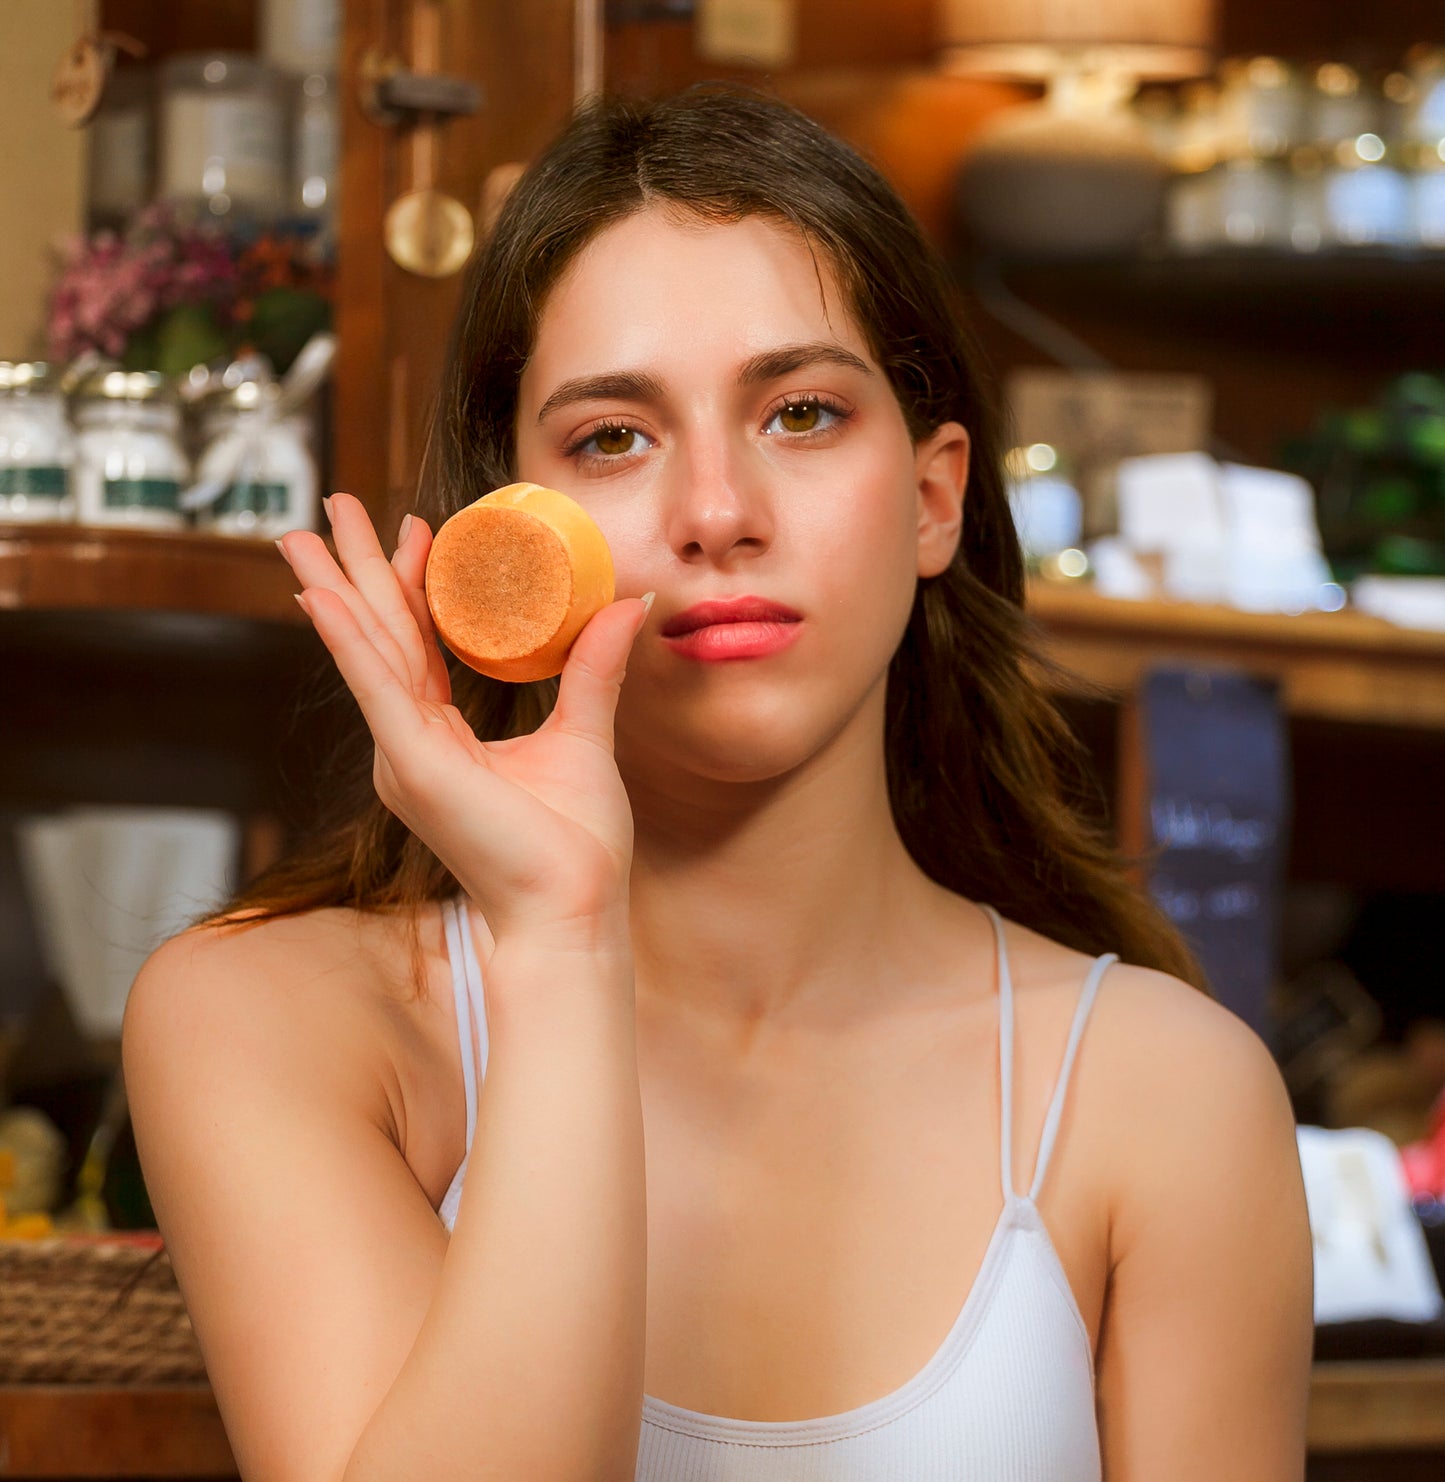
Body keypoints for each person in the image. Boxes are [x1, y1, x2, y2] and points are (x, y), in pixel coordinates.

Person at [122, 87, 1314, 1481]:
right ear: (510, 534)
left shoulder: (1168, 1094)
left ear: (934, 499)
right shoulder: (274, 1019)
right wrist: (562, 938)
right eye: (611, 437)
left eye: (801, 412)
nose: (714, 512)